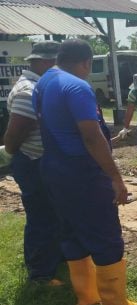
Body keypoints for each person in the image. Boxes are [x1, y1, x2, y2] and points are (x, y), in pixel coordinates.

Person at [33, 39, 137, 305]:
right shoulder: (77, 86)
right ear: (87, 63)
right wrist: (116, 177)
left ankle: (87, 298)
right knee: (106, 236)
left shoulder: (43, 83)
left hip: (54, 170)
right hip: (82, 173)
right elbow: (91, 137)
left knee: (71, 233)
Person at [3, 41, 63, 285]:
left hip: (41, 161)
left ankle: (54, 259)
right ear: (47, 63)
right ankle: (40, 273)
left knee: (53, 213)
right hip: (32, 162)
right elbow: (15, 133)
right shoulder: (29, 90)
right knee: (41, 217)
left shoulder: (39, 85)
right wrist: (11, 151)